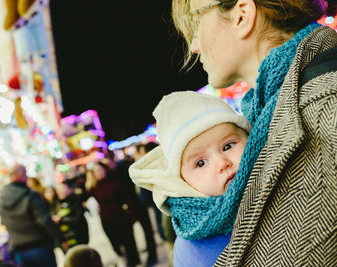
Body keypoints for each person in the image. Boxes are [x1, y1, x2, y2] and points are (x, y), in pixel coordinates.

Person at [169, 0, 337, 265]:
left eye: (194, 22)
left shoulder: (326, 104)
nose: (193, 45)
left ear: (241, 16)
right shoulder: (267, 116)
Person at [129, 91, 251, 266]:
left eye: (228, 146)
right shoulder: (189, 248)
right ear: (184, 181)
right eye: (201, 163)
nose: (222, 163)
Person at [0, 164, 61, 267]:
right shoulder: (30, 195)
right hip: (41, 247)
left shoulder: (0, 200)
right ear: (20, 174)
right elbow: (44, 221)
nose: (27, 178)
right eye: (25, 174)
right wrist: (60, 237)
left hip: (20, 251)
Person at [86, 161, 141, 267]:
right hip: (107, 221)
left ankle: (133, 262)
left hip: (122, 218)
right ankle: (123, 259)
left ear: (105, 170)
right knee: (115, 244)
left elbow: (127, 198)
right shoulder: (94, 187)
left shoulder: (116, 182)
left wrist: (131, 214)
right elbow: (85, 199)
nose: (99, 173)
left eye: (100, 170)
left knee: (129, 244)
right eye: (96, 171)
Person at [114, 149, 159, 265]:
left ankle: (151, 255)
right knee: (136, 233)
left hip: (135, 204)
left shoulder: (124, 168)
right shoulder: (118, 169)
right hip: (131, 205)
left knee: (146, 231)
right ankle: (142, 256)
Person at [55, 178, 89, 253]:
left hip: (79, 237)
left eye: (62, 189)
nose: (60, 192)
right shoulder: (58, 203)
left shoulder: (75, 200)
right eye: (58, 190)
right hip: (67, 241)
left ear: (69, 189)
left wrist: (60, 220)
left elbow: (77, 219)